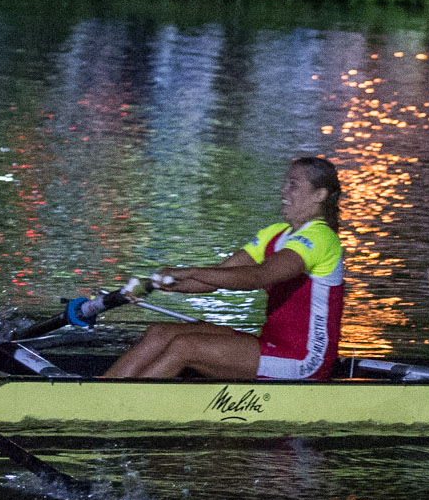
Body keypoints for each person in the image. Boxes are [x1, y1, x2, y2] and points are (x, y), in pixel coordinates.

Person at [101, 157, 349, 381]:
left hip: (304, 361)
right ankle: (101, 392)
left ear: (320, 195)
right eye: (286, 183)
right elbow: (213, 279)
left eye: (293, 185)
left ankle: (123, 407)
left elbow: (257, 276)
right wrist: (153, 284)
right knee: (159, 333)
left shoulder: (321, 238)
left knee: (186, 346)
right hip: (270, 345)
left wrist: (189, 271)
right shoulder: (275, 234)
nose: (283, 190)